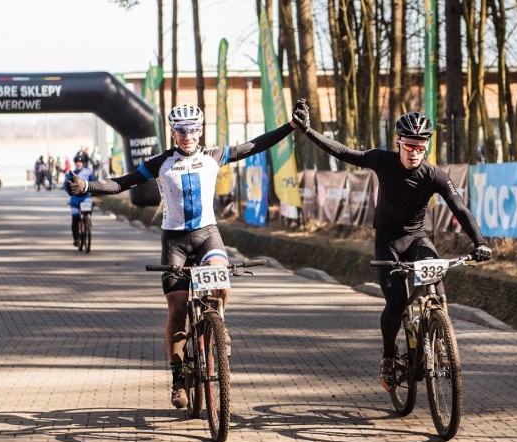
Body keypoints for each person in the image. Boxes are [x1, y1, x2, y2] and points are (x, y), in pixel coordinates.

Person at [67, 103, 297, 409]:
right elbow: (122, 182)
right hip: (175, 241)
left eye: (193, 130)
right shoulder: (161, 163)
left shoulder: (214, 156)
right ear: (173, 133)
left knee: (222, 282)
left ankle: (218, 326)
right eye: (181, 131)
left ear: (200, 130)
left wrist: (291, 126)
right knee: (176, 310)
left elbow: (256, 145)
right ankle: (178, 378)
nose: (187, 136)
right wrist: (87, 186)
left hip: (207, 234)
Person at [291, 100, 492, 391]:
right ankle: (388, 357)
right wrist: (308, 131)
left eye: (421, 147)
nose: (414, 153)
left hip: (417, 238)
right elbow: (343, 151)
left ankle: (439, 332)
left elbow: (459, 208)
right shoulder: (382, 161)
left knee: (436, 279)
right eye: (409, 146)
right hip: (388, 242)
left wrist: (480, 243)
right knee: (396, 302)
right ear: (398, 143)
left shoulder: (435, 176)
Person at [66, 158, 96, 248]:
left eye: (80, 162)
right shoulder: (71, 174)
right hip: (75, 199)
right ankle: (76, 239)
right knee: (75, 217)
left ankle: (88, 221)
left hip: (85, 198)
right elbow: (66, 185)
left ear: (82, 163)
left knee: (88, 208)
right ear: (75, 163)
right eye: (76, 162)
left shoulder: (88, 172)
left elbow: (94, 182)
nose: (78, 163)